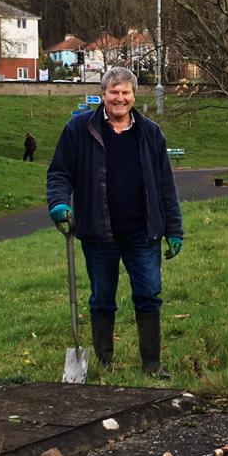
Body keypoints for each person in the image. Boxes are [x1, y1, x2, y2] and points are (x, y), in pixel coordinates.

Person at [46, 66, 184, 377]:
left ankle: (152, 364)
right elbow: (59, 172)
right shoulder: (79, 129)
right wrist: (58, 203)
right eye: (113, 92)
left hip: (143, 233)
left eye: (125, 92)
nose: (119, 98)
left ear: (134, 96)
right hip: (98, 232)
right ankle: (104, 362)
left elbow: (165, 185)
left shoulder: (150, 133)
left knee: (149, 294)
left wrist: (174, 229)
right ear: (103, 95)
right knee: (102, 299)